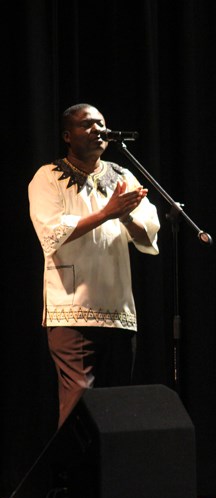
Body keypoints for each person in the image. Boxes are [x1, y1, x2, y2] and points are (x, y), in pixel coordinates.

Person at [28, 103, 161, 430]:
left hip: (118, 312)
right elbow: (52, 232)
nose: (98, 130)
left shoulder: (122, 175)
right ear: (67, 136)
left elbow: (148, 233)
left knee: (116, 413)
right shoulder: (48, 177)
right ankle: (73, 481)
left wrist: (126, 215)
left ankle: (110, 481)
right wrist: (106, 213)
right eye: (87, 125)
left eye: (101, 124)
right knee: (80, 411)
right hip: (72, 313)